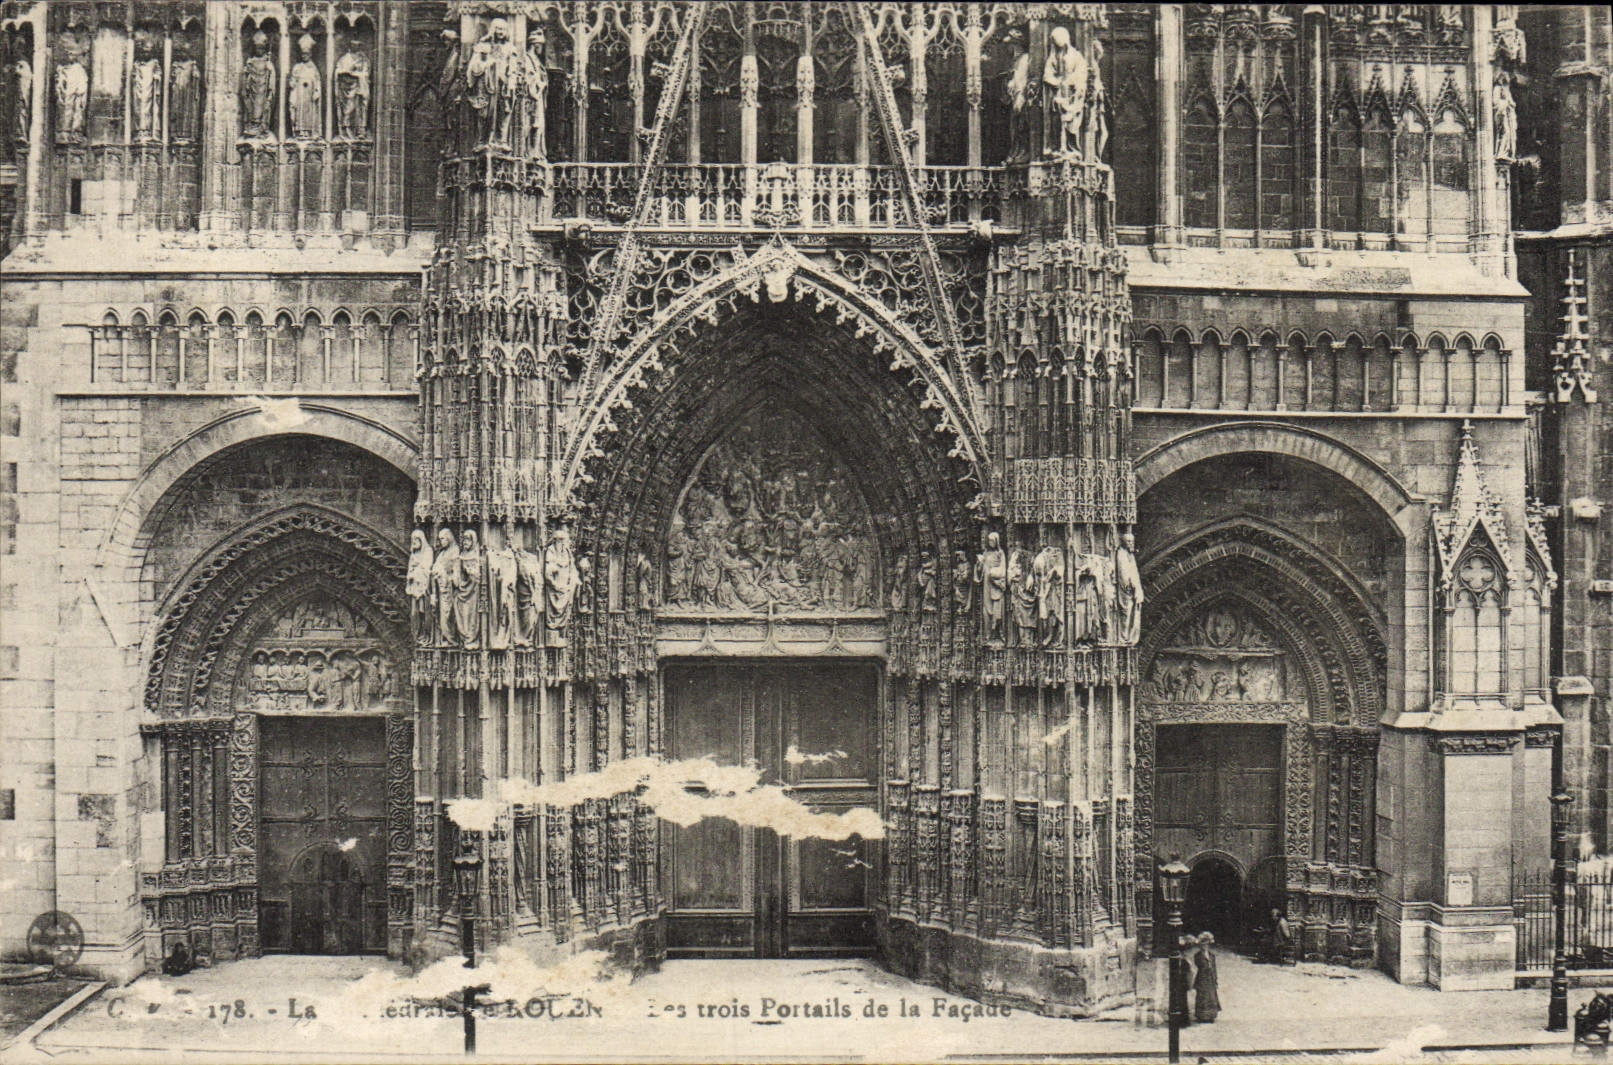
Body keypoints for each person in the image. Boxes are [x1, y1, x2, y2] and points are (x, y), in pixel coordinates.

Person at [1192, 933, 1220, 1022]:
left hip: (1210, 978)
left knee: (1211, 996)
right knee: (1202, 996)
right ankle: (1201, 1016)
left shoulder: (1212, 955)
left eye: (1206, 945)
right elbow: (1199, 965)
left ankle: (1211, 1016)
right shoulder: (1198, 955)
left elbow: (1214, 967)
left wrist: (1215, 979)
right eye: (1202, 945)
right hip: (1202, 978)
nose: (1204, 947)